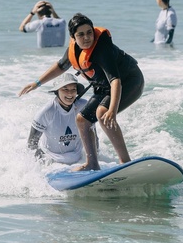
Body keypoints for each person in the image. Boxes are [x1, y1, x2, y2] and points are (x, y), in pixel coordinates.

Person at [18, 13, 145, 171]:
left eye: (89, 32)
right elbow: (60, 66)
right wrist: (37, 83)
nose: (86, 38)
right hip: (103, 86)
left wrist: (112, 109)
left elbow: (115, 81)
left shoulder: (102, 49)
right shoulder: (74, 50)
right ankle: (92, 164)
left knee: (102, 113)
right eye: (81, 34)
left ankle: (125, 162)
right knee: (82, 120)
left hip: (130, 81)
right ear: (73, 37)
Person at [27, 73, 95, 164]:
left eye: (73, 89)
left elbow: (93, 134)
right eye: (65, 89)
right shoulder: (46, 111)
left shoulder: (84, 106)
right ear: (56, 91)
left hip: (79, 158)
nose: (70, 93)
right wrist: (40, 165)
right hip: (52, 160)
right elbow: (32, 144)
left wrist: (96, 159)